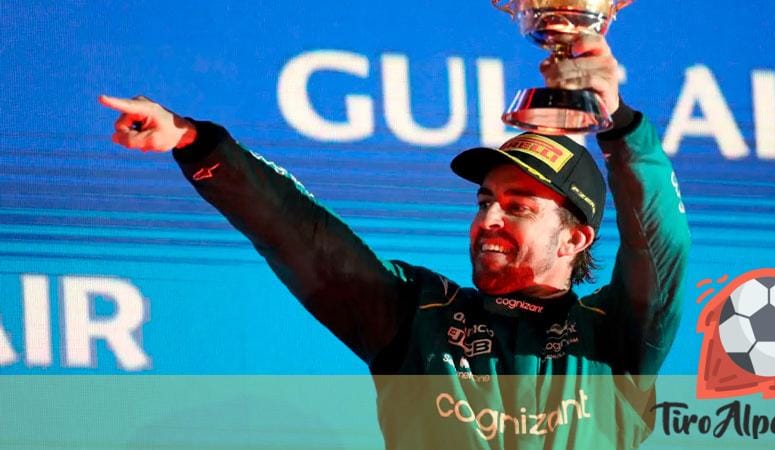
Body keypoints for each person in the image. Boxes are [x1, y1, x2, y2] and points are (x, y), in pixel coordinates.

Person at [100, 36, 689, 449]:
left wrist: (619, 125)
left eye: (519, 208)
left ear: (574, 239)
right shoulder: (419, 317)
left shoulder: (616, 335)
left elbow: (660, 243)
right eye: (485, 201)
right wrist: (196, 143)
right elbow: (300, 235)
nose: (489, 219)